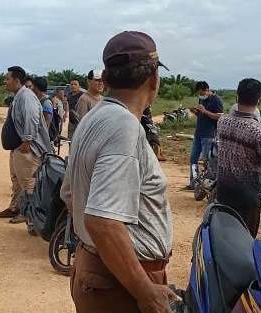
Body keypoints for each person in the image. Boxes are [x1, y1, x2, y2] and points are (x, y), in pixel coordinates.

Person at [60, 31, 177, 313]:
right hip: (120, 284)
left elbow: (69, 194)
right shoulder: (123, 126)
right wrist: (144, 291)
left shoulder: (94, 117)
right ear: (153, 80)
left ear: (108, 80)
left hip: (101, 271)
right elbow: (103, 221)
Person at [216, 78, 261, 237]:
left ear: (237, 96)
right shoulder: (259, 131)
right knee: (245, 238)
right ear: (259, 99)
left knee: (224, 235)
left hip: (223, 190)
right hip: (247, 196)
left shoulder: (222, 121)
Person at [0, 66, 51, 223]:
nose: (5, 81)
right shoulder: (19, 96)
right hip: (20, 148)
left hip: (28, 149)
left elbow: (31, 118)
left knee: (28, 183)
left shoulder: (26, 97)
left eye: (7, 78)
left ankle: (30, 215)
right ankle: (18, 209)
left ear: (17, 80)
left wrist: (27, 141)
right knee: (20, 181)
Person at [186, 81, 223, 189]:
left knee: (207, 161)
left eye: (201, 93)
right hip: (198, 133)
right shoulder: (202, 99)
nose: (200, 95)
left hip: (209, 135)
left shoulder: (216, 100)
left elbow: (219, 117)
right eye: (199, 93)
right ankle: (193, 183)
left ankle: (207, 186)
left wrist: (205, 111)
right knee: (193, 159)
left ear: (207, 89)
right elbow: (202, 114)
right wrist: (196, 112)